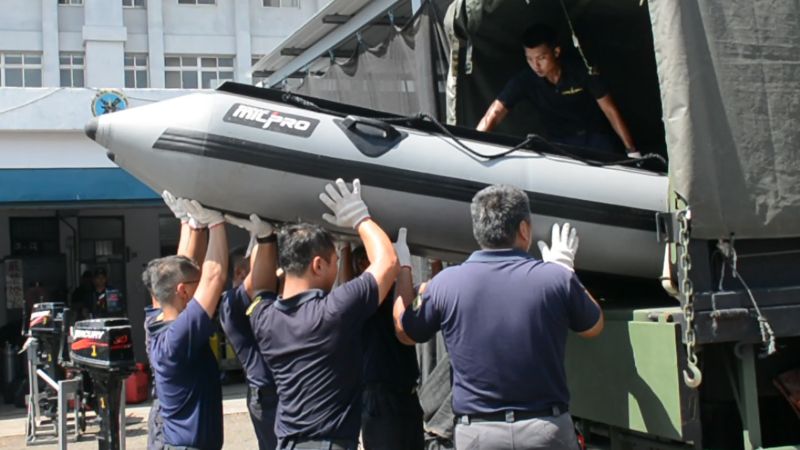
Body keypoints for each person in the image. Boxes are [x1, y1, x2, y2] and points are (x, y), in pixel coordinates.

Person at [395, 184, 604, 450]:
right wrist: (565, 268)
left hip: (479, 435)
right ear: (524, 229)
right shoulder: (554, 279)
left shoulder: (447, 283)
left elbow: (405, 332)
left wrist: (402, 268)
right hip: (545, 430)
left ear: (478, 230)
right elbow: (593, 326)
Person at [248, 178, 399, 450]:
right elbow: (387, 263)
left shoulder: (264, 318)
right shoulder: (333, 311)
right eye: (335, 262)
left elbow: (260, 287)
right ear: (318, 264)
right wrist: (359, 217)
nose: (337, 269)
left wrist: (264, 238)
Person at [477, 24, 640, 158]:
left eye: (541, 58)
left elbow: (609, 109)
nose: (536, 66)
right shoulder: (525, 80)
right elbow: (495, 112)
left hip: (596, 138)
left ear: (556, 52)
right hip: (560, 145)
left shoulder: (581, 71)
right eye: (529, 59)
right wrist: (476, 142)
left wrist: (632, 151)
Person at [146, 198, 228, 450]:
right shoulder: (179, 337)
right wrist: (216, 223)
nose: (200, 286)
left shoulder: (155, 321)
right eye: (196, 284)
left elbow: (177, 268)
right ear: (182, 292)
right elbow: (215, 277)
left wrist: (189, 224)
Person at [339, 232, 424, 450]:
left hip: (407, 394)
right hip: (380, 398)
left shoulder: (396, 298)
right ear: (362, 264)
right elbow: (346, 284)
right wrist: (344, 247)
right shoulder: (364, 303)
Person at [220, 213, 279, 450]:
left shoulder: (264, 299)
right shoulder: (231, 303)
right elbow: (257, 283)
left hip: (276, 391)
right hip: (267, 394)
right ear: (241, 274)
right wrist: (264, 238)